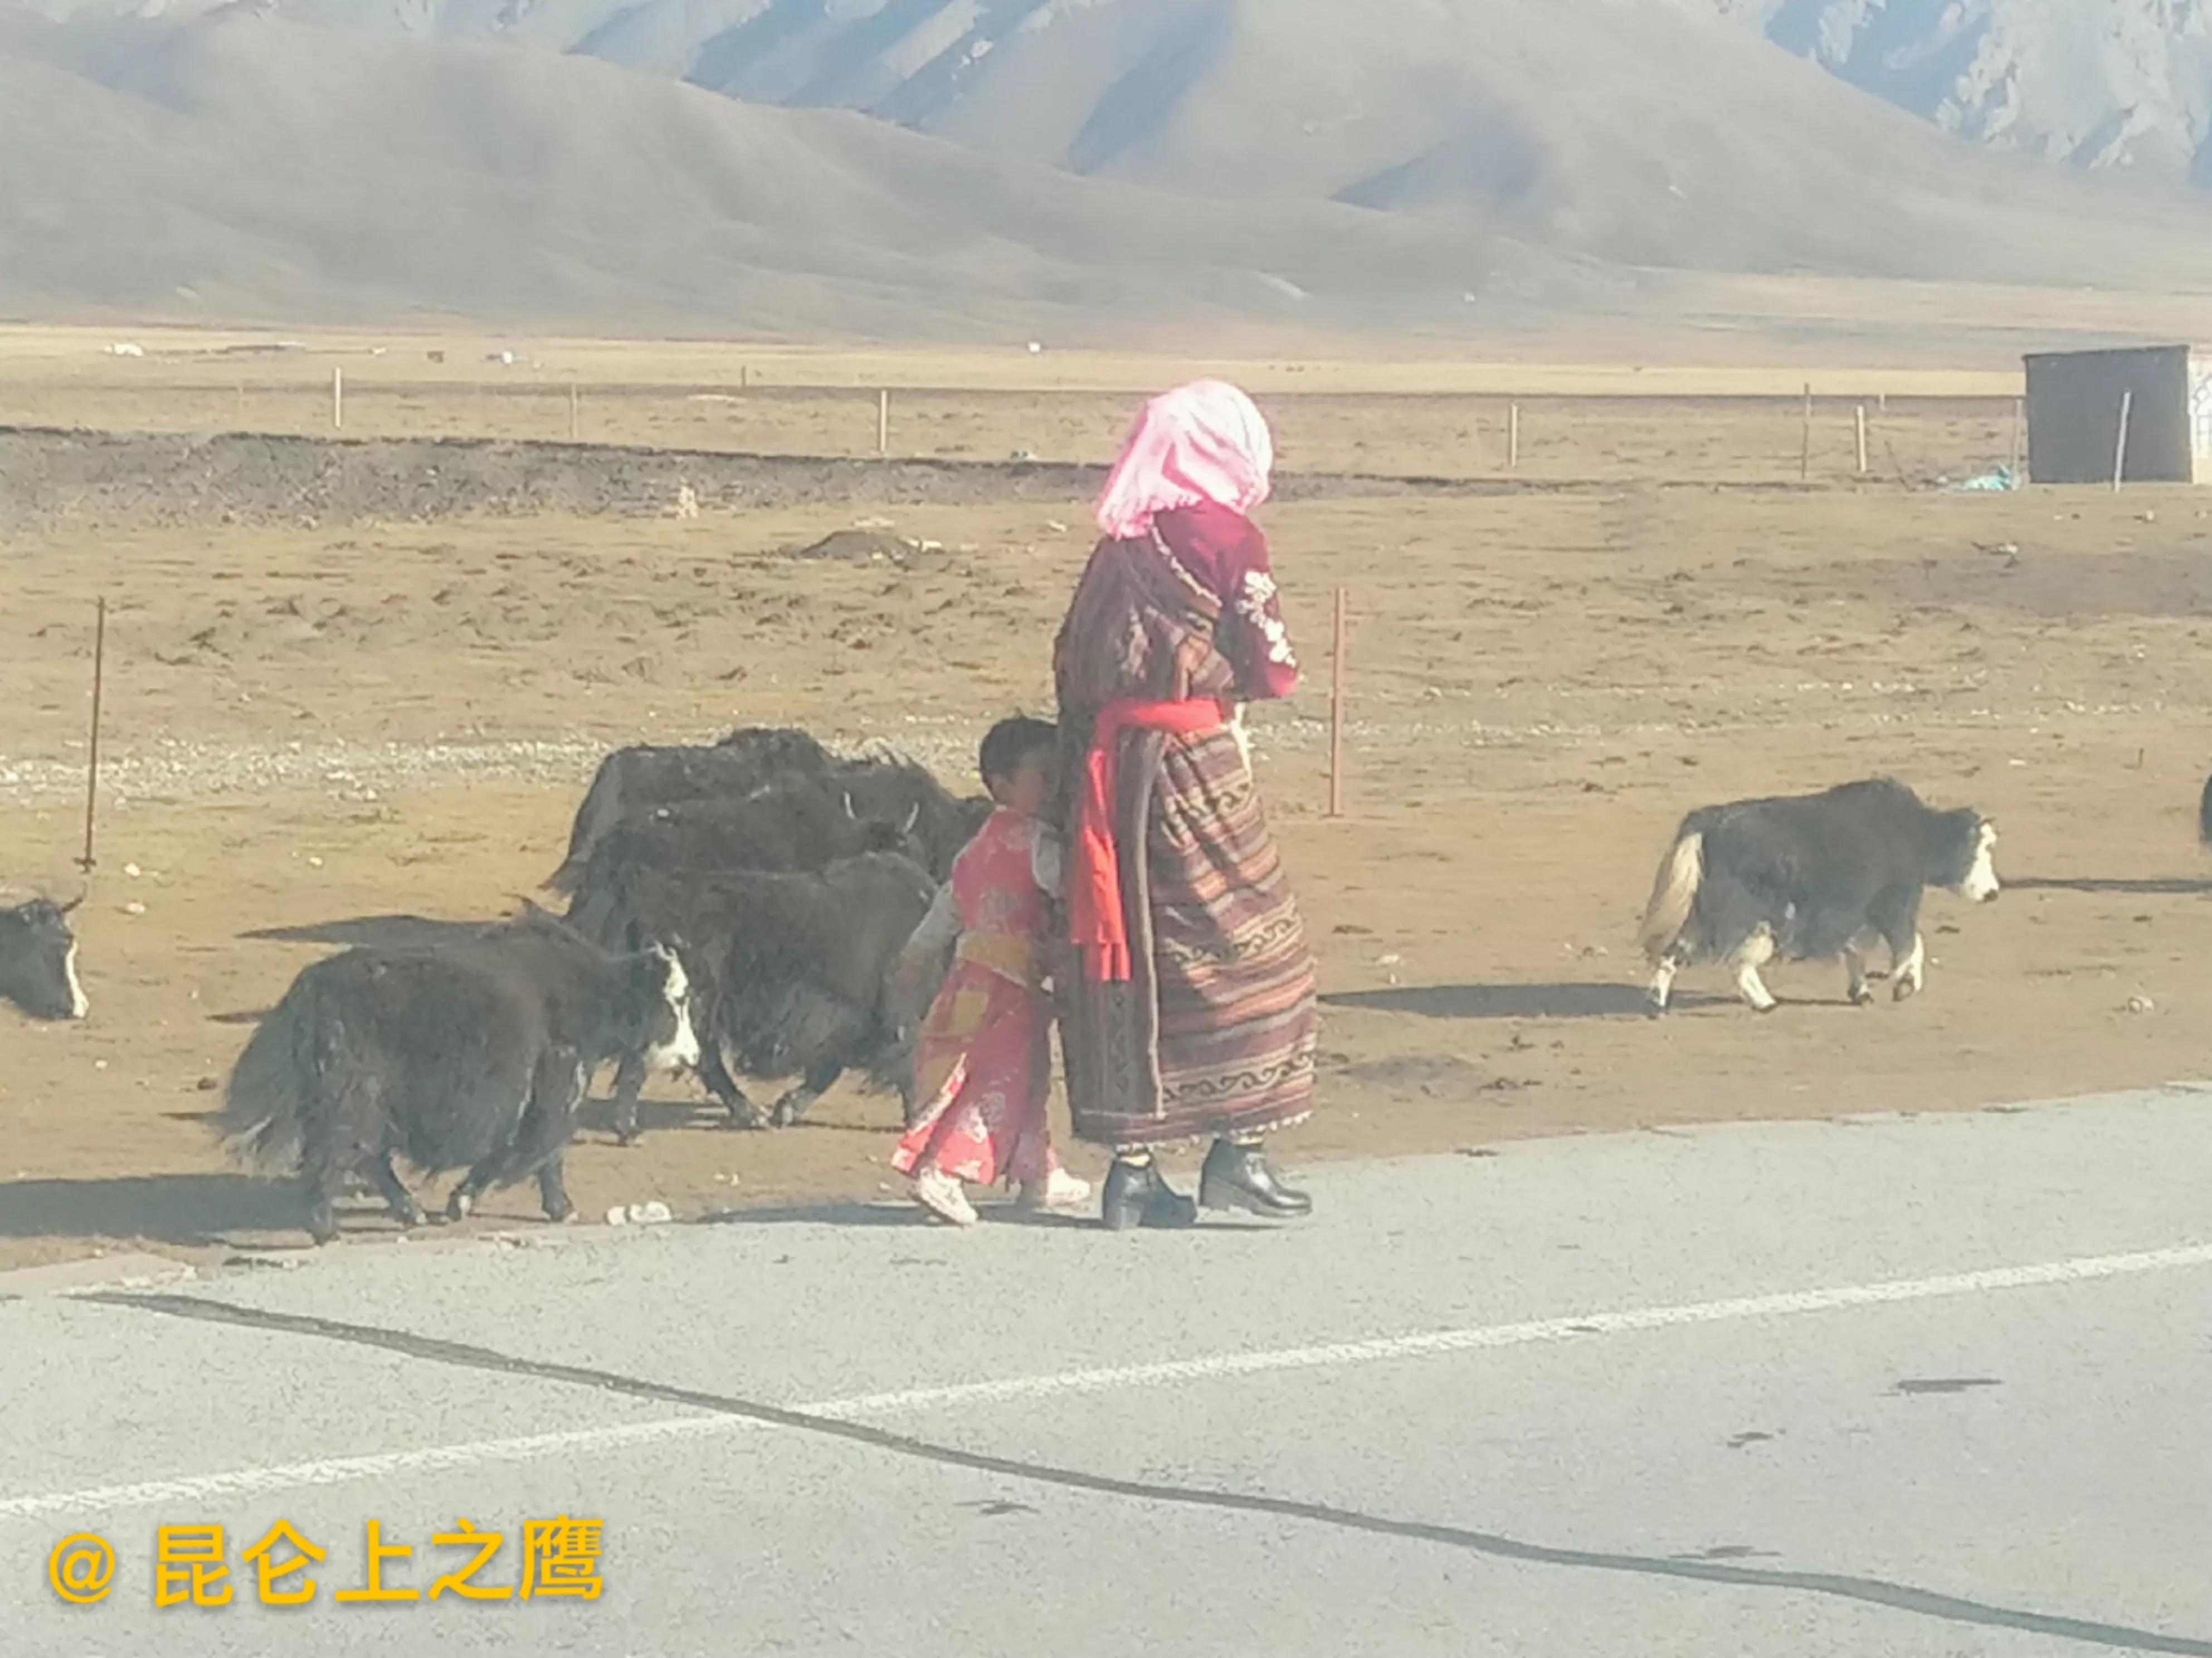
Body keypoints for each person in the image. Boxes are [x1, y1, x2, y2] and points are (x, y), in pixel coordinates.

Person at [1051, 379, 1318, 1230]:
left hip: (1107, 775)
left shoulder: (1118, 545)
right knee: (1251, 946)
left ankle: (1131, 1171)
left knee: (1130, 955)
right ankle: (1238, 1150)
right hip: (1193, 767)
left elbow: (1069, 660)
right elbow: (1270, 660)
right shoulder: (1225, 536)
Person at [890, 715, 1092, 1227]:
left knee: (1005, 1075)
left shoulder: (977, 845)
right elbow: (1069, 889)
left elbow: (947, 908)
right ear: (1003, 785)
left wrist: (914, 957)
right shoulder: (1040, 846)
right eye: (1042, 776)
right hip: (1012, 986)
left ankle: (1038, 1172)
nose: (1053, 787)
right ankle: (944, 1169)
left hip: (969, 978)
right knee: (1003, 1078)